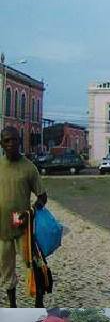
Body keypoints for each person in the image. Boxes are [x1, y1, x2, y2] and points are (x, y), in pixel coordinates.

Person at [0, 126, 48, 307]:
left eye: (14, 140)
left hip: (23, 229)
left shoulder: (29, 167)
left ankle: (39, 302)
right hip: (2, 231)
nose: (11, 143)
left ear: (19, 141)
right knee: (6, 270)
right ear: (2, 144)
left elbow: (42, 197)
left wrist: (30, 213)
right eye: (7, 140)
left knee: (33, 265)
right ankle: (12, 305)